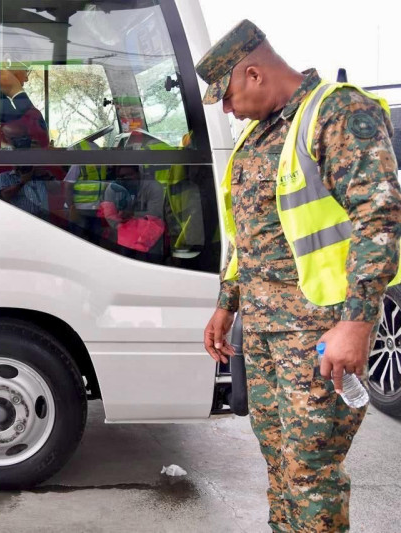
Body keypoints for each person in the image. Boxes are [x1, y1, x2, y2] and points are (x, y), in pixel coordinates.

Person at [198, 20, 401, 532]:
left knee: (311, 472)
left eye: (225, 95)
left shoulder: (335, 112)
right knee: (281, 468)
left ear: (254, 73)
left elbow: (379, 218)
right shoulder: (258, 135)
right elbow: (251, 235)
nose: (224, 108)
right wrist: (228, 303)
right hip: (266, 333)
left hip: (319, 335)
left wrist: (356, 324)